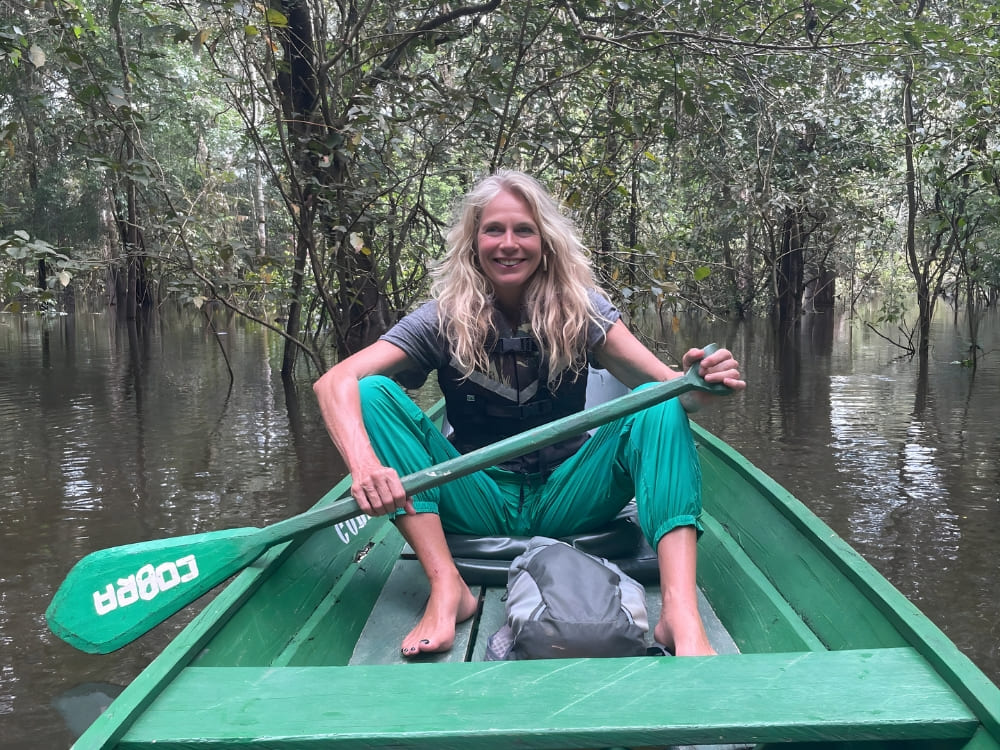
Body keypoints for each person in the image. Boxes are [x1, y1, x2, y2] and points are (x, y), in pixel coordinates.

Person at [313, 170, 745, 659]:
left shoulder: (585, 311)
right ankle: (446, 586)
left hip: (570, 494)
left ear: (546, 241)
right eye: (493, 230)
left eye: (524, 230)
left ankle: (680, 617)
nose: (508, 244)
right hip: (476, 496)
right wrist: (364, 466)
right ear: (473, 243)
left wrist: (700, 382)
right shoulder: (440, 317)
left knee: (656, 401)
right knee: (370, 392)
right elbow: (334, 383)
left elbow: (679, 396)